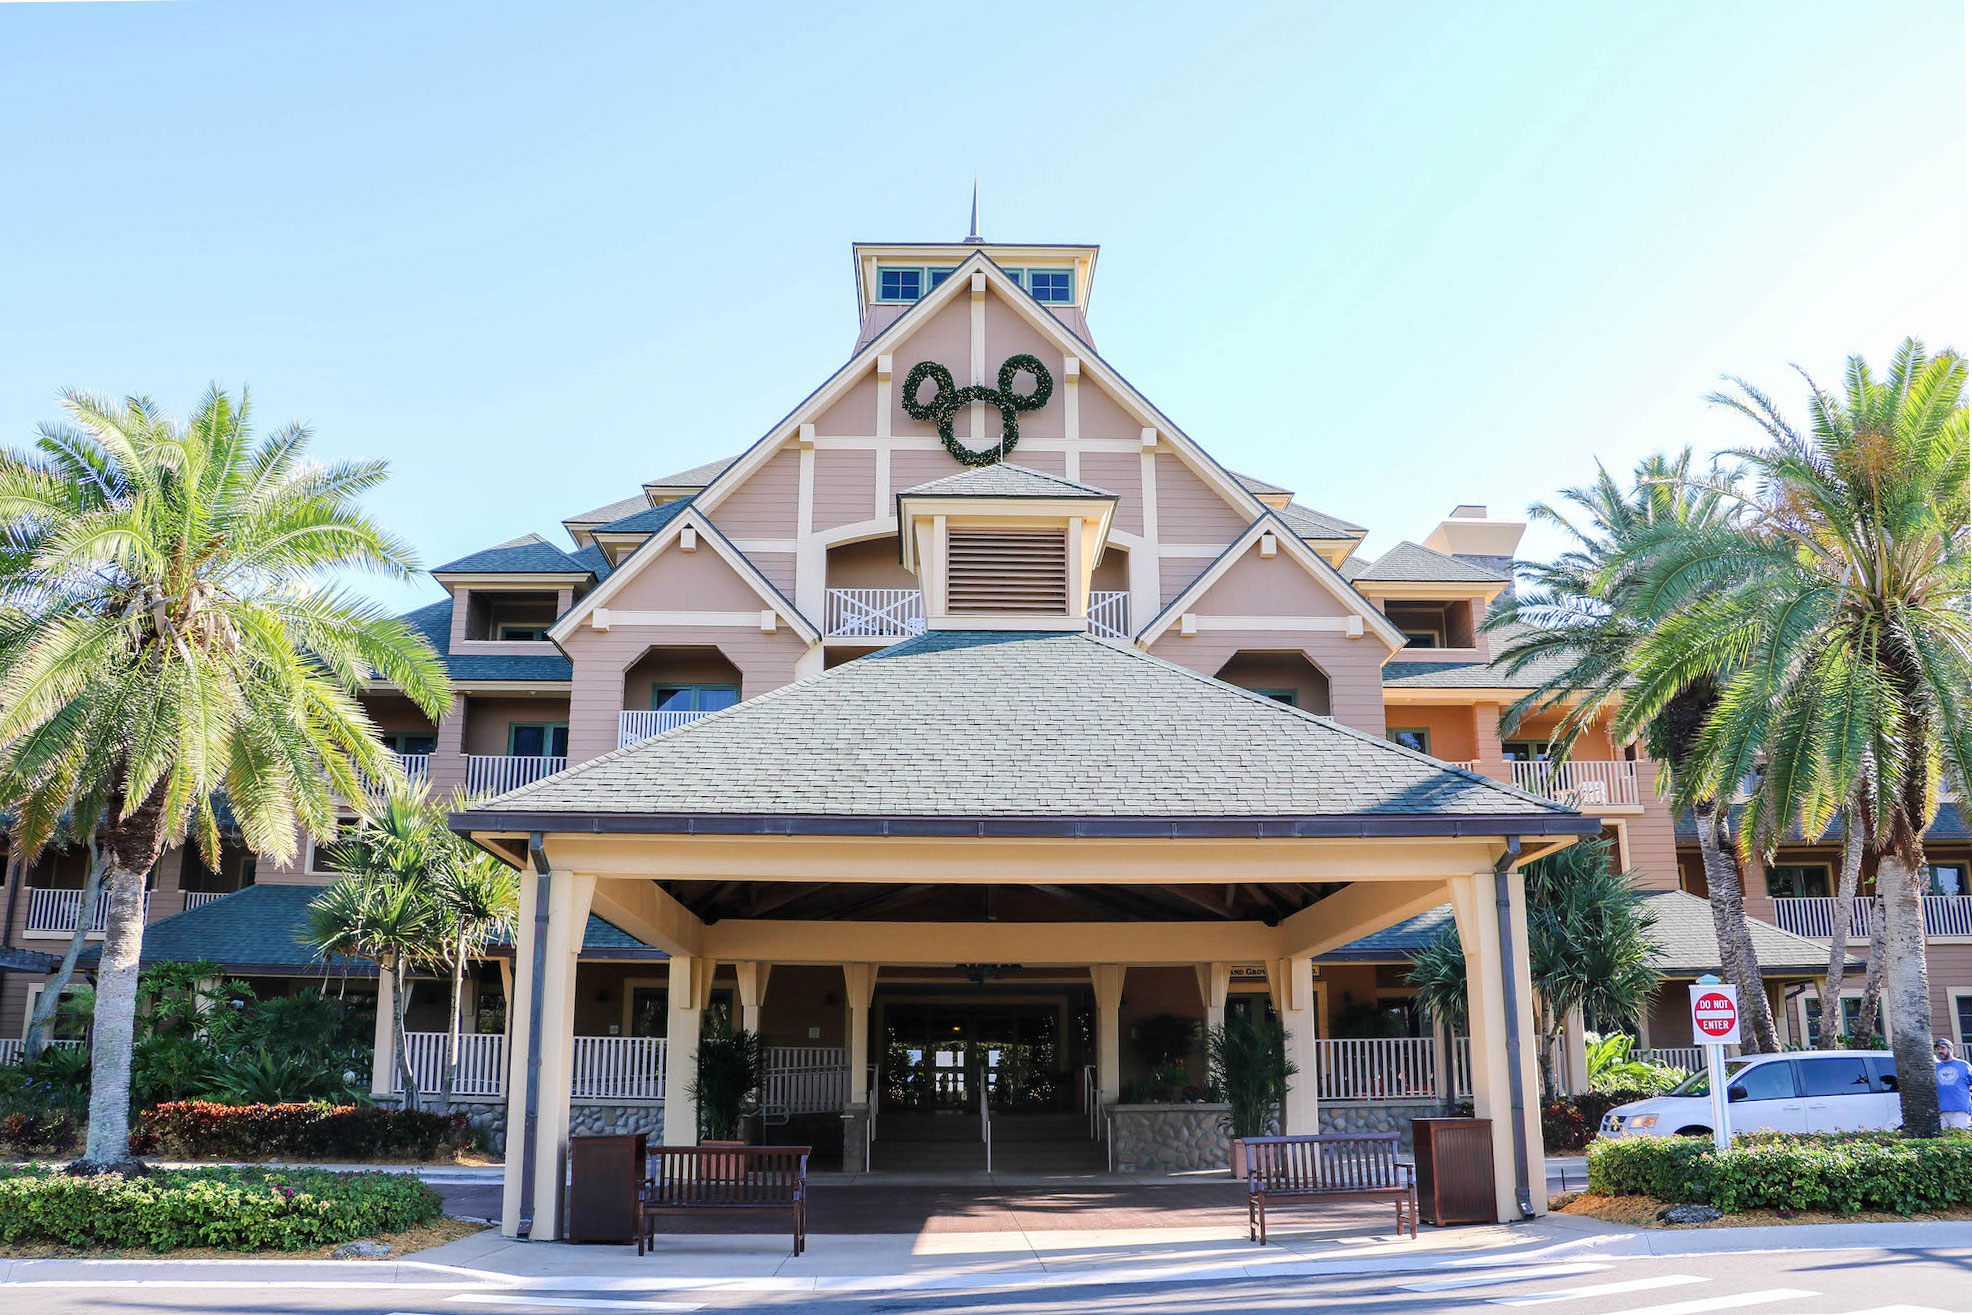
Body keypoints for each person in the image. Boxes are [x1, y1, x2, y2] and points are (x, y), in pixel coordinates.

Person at [1935, 1039, 1972, 1131]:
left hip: (1960, 1109)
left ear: (1951, 1049)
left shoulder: (1964, 1065)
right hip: (1941, 1110)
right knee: (1943, 1141)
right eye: (1938, 1049)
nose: (1940, 1051)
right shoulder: (1935, 1067)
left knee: (1959, 1139)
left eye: (1943, 1048)